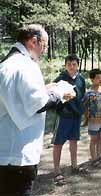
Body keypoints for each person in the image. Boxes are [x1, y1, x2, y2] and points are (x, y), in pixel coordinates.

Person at [0, 24, 71, 195]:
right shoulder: (27, 66)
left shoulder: (7, 63)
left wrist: (45, 89)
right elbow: (38, 104)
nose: (44, 51)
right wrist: (59, 92)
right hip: (19, 155)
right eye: (45, 46)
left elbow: (17, 98)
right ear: (33, 41)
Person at [52, 55, 86, 185]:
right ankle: (56, 170)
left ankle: (74, 165)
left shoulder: (81, 79)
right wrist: (62, 97)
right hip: (64, 115)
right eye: (69, 64)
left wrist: (83, 112)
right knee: (58, 143)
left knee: (74, 141)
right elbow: (52, 95)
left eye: (74, 64)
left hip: (76, 115)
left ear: (78, 65)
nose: (72, 67)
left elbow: (82, 96)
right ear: (65, 65)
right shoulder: (61, 79)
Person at [83, 69, 101, 169]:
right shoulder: (88, 93)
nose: (100, 79)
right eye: (97, 78)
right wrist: (86, 119)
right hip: (93, 120)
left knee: (100, 137)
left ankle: (99, 156)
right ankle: (93, 159)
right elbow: (85, 107)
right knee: (93, 139)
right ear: (92, 79)